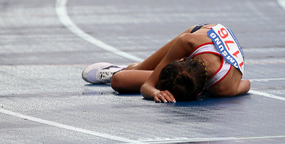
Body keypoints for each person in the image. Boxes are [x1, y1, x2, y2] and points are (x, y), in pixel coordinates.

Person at [81, 24, 250, 103]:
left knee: (121, 81)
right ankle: (132, 68)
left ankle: (128, 71)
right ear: (181, 59)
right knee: (132, 74)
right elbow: (147, 85)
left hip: (213, 69)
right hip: (200, 33)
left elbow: (246, 84)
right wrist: (154, 91)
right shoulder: (187, 42)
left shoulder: (224, 88)